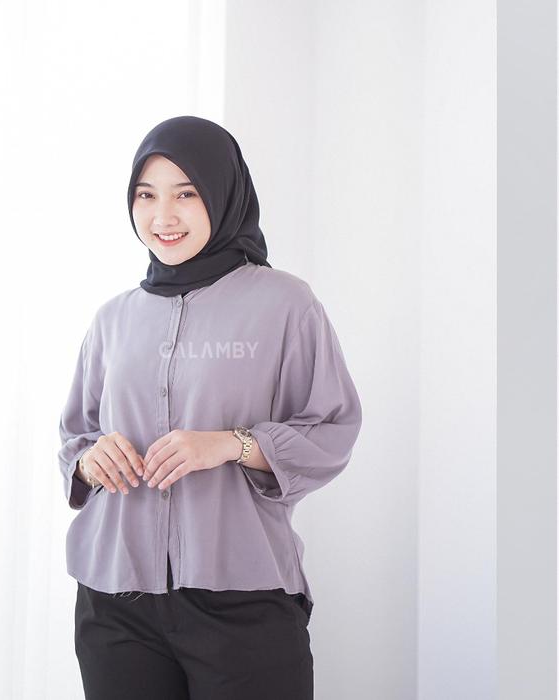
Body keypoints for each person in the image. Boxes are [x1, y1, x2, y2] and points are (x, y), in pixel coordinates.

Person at [57, 115, 363, 700]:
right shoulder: (113, 318)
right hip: (115, 604)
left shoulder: (285, 304)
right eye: (146, 195)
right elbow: (77, 435)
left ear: (223, 197)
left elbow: (332, 426)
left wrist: (231, 443)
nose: (162, 216)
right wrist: (91, 460)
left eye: (186, 194)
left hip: (242, 601)